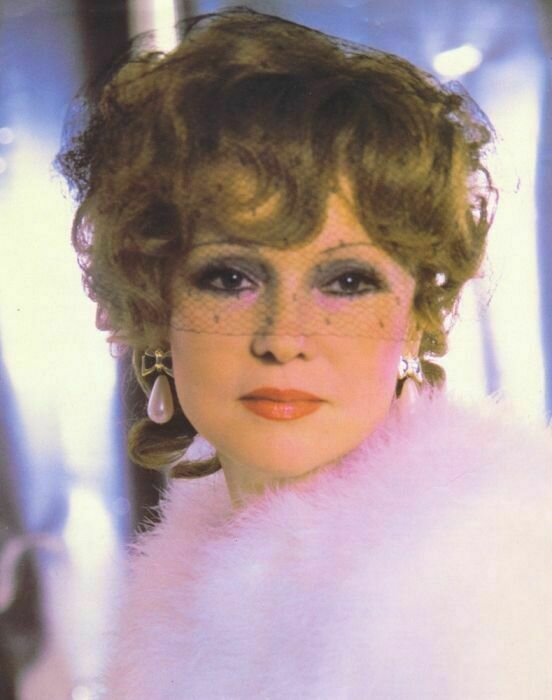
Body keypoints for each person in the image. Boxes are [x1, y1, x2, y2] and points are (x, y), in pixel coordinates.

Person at [56, 7, 552, 698]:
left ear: (415, 320)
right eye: (229, 278)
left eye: (347, 282)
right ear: (152, 307)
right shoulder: (183, 588)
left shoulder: (487, 578)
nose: (284, 339)